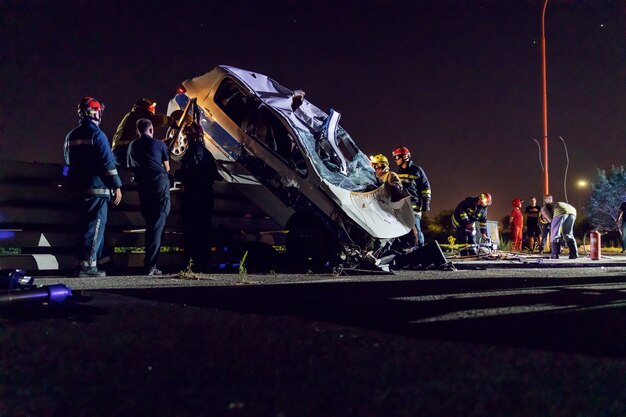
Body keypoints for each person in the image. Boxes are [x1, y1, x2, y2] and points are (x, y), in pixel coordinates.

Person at [63, 97, 122, 277]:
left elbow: (67, 163)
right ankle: (88, 267)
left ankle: (102, 261)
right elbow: (108, 163)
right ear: (94, 113)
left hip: (78, 189)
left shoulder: (70, 136)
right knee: (94, 227)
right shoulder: (98, 135)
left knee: (88, 228)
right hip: (97, 189)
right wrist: (117, 186)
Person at [174, 123, 220, 273]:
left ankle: (191, 262)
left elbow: (187, 175)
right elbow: (214, 174)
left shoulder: (191, 153)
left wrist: (177, 175)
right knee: (205, 229)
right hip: (206, 196)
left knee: (191, 230)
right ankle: (204, 262)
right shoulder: (208, 154)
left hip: (193, 196)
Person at [127, 118, 171, 275]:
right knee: (157, 224)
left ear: (138, 131)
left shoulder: (132, 145)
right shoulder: (160, 144)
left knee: (151, 223)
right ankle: (151, 265)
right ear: (151, 130)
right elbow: (167, 167)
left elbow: (131, 166)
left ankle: (150, 263)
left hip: (143, 187)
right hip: (159, 185)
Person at [111, 98, 173, 169]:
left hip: (120, 153)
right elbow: (153, 120)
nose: (153, 110)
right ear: (145, 107)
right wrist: (170, 120)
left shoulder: (132, 116)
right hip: (123, 151)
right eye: (151, 107)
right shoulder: (137, 114)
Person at [392, 146, 431, 247]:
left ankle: (421, 251)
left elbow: (425, 188)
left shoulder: (417, 170)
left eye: (397, 157)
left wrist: (426, 203)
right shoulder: (397, 173)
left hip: (414, 207)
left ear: (405, 157)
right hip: (401, 207)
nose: (395, 160)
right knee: (402, 232)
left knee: (416, 231)